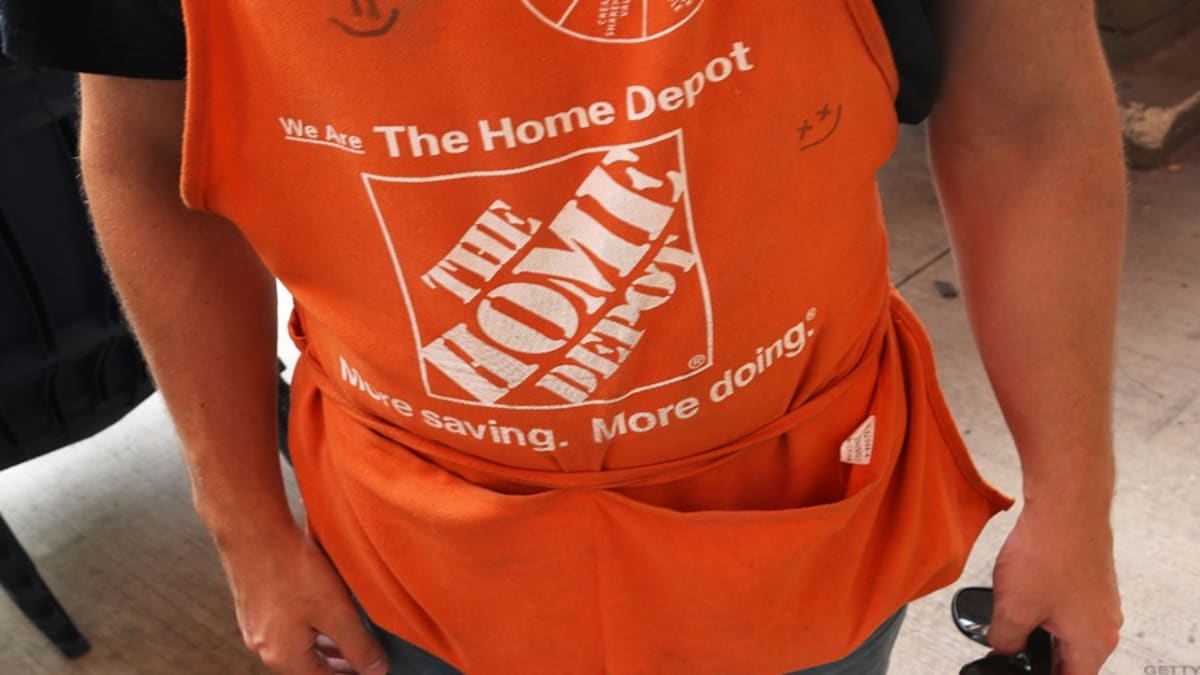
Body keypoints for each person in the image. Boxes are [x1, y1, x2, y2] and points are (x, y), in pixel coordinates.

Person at [1, 1, 1125, 673]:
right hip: (417, 556)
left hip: (803, 520)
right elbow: (151, 154)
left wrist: (1073, 503)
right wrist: (246, 528)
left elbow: (1027, 122)